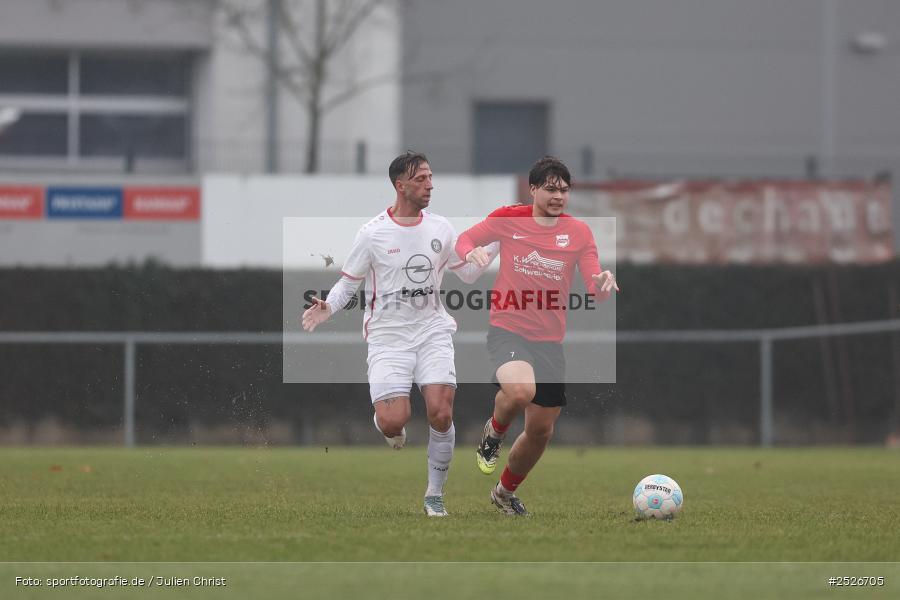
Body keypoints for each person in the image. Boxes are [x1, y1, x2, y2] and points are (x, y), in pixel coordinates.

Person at [302, 151, 497, 517]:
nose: (430, 185)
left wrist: (496, 241)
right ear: (400, 185)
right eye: (421, 179)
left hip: (432, 332)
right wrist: (328, 306)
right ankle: (387, 425)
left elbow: (467, 274)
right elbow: (349, 283)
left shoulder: (441, 228)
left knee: (440, 413)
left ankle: (434, 495)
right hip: (388, 338)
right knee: (395, 419)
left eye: (430, 177)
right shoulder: (372, 233)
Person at [455, 156, 619, 516]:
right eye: (550, 188)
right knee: (519, 391)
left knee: (542, 431)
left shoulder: (578, 232)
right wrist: (473, 251)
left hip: (549, 343)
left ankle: (503, 494)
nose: (558, 195)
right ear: (533, 189)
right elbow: (465, 239)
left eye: (564, 189)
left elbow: (595, 286)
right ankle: (493, 435)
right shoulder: (508, 217)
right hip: (508, 330)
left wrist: (603, 283)